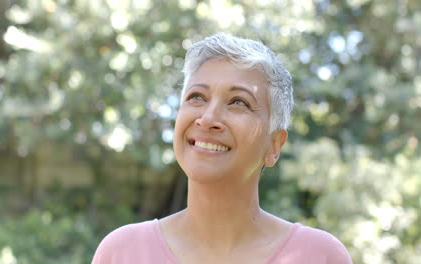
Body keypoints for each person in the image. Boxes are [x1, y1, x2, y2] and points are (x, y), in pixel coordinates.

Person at [92, 33, 352, 264]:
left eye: (238, 102)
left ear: (274, 145)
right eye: (197, 97)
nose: (207, 118)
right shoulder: (122, 253)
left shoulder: (321, 256)